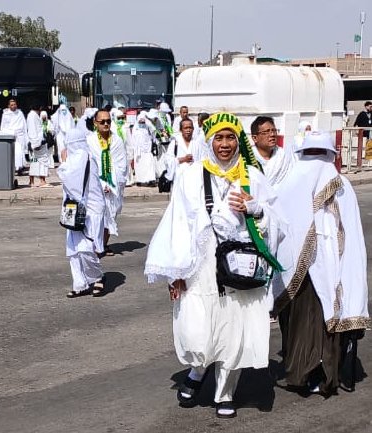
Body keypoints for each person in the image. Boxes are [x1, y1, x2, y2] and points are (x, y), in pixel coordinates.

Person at [145, 112, 282, 419]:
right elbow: (177, 225)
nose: (224, 144)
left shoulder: (252, 175)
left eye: (230, 137)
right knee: (197, 330)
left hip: (239, 269)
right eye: (218, 138)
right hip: (200, 268)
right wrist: (175, 274)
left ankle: (225, 392)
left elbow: (278, 224)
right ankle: (197, 370)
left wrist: (255, 208)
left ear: (238, 140)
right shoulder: (191, 176)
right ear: (209, 141)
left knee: (234, 331)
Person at [273, 131, 370, 396]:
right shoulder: (311, 183)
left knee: (320, 320)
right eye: (311, 154)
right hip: (301, 273)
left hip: (327, 268)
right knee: (303, 321)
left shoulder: (334, 185)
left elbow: (349, 232)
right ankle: (307, 371)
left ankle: (321, 374)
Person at [58, 128, 106, 298]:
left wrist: (63, 163)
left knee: (86, 248)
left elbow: (69, 180)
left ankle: (97, 277)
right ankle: (80, 283)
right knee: (73, 249)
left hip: (89, 210)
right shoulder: (77, 158)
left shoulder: (83, 158)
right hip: (74, 208)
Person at [88, 109, 128, 256]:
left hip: (113, 186)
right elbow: (89, 164)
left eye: (108, 121)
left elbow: (121, 165)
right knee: (96, 216)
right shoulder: (90, 140)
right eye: (102, 121)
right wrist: (99, 183)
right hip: (95, 186)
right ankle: (94, 245)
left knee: (110, 215)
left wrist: (111, 184)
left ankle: (103, 244)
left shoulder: (117, 141)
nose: (106, 124)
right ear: (95, 123)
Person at [250, 116, 294, 188]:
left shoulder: (283, 155)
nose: (272, 134)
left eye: (274, 130)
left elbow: (290, 181)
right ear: (255, 138)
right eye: (266, 132)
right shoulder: (247, 157)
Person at [163, 118, 199, 183]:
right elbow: (167, 161)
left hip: (194, 180)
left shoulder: (197, 143)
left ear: (193, 129)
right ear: (181, 130)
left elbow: (202, 160)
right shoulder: (175, 143)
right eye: (185, 128)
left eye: (190, 128)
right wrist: (183, 159)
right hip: (178, 180)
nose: (188, 130)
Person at [0, 99, 28, 175]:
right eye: (12, 105)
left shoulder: (20, 113)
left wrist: (26, 136)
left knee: (20, 152)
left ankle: (20, 168)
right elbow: (3, 126)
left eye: (15, 104)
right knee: (12, 152)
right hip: (10, 135)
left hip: (20, 135)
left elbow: (24, 125)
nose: (14, 106)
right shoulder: (5, 114)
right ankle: (12, 167)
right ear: (8, 106)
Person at [26, 104, 52, 188]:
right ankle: (42, 181)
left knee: (34, 162)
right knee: (41, 161)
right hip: (38, 144)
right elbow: (33, 131)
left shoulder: (33, 116)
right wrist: (36, 143)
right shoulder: (33, 116)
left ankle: (32, 181)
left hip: (37, 143)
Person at [132, 112, 158, 185]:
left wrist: (147, 121)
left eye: (143, 121)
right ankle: (140, 180)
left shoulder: (147, 127)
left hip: (147, 151)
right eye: (141, 121)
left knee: (149, 165)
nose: (142, 123)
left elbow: (154, 130)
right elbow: (133, 140)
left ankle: (150, 180)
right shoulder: (135, 128)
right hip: (138, 152)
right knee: (140, 167)